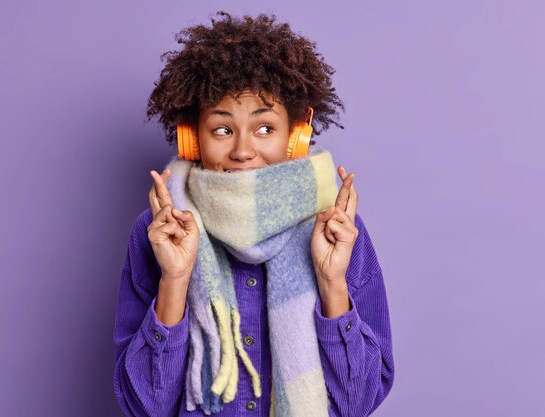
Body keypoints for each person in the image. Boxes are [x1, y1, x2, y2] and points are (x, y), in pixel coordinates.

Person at [114, 11, 394, 417]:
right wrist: (175, 280)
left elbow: (359, 402)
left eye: (264, 128)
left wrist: (332, 283)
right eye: (223, 130)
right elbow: (145, 407)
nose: (243, 150)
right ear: (193, 139)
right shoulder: (159, 230)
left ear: (295, 138)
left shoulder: (336, 227)